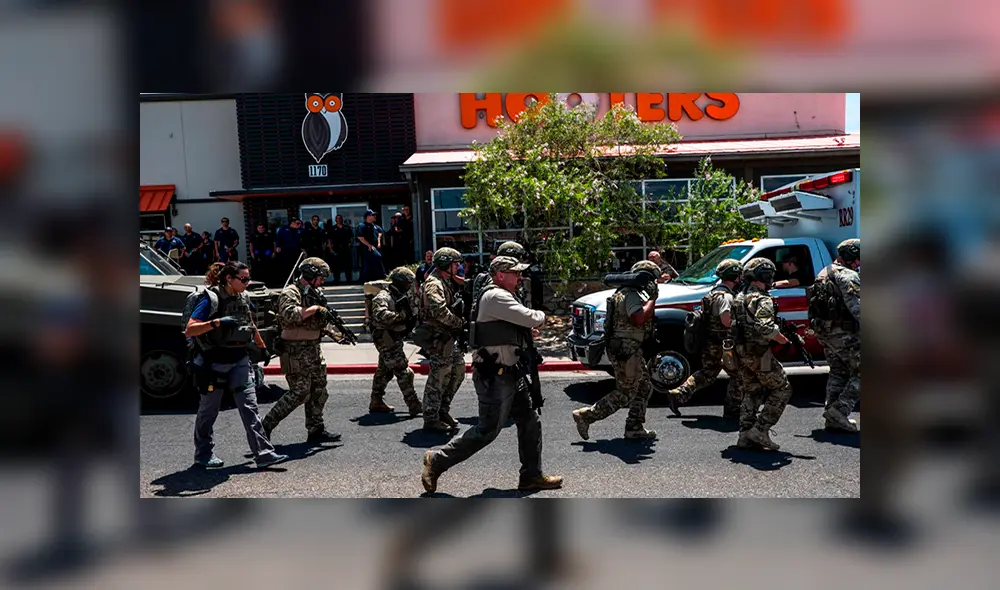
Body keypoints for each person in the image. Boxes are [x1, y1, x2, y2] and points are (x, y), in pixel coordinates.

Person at [421, 256, 563, 493]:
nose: (520, 277)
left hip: (510, 373)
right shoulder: (495, 295)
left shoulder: (500, 295)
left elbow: (507, 327)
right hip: (494, 377)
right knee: (486, 431)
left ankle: (531, 476)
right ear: (500, 275)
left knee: (529, 421)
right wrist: (539, 316)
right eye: (515, 273)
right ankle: (436, 461)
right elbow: (531, 317)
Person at [184, 262, 288, 468]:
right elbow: (190, 329)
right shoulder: (210, 299)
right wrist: (217, 322)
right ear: (228, 279)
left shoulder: (244, 297)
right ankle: (203, 454)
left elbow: (250, 323)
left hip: (239, 360)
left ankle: (264, 453)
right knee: (209, 411)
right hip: (213, 363)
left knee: (250, 407)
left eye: (248, 278)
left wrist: (262, 347)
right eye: (243, 279)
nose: (247, 283)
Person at [572, 261, 660, 440]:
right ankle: (587, 416)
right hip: (627, 351)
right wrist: (653, 299)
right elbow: (639, 318)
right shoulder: (631, 295)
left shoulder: (622, 292)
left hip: (627, 349)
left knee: (644, 386)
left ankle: (634, 427)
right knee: (625, 393)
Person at [259, 258, 342, 444]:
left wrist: (335, 333)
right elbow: (290, 315)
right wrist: (314, 309)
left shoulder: (316, 293)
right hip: (295, 350)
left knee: (319, 390)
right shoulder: (291, 292)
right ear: (310, 274)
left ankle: (316, 429)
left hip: (313, 349)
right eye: (320, 277)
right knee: (299, 393)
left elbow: (320, 320)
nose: (322, 282)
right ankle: (265, 426)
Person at [666, 259, 745, 418]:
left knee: (708, 373)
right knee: (740, 375)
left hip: (710, 342)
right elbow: (726, 320)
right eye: (739, 275)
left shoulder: (712, 293)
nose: (742, 278)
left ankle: (679, 393)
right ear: (734, 276)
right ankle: (733, 409)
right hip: (725, 345)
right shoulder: (726, 296)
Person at [731, 257, 793, 450]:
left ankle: (744, 435)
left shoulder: (739, 296)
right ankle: (760, 429)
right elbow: (765, 327)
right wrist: (784, 341)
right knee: (783, 388)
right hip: (760, 354)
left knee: (752, 391)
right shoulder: (762, 298)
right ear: (764, 275)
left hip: (742, 352)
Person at [810, 239, 861, 432]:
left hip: (827, 334)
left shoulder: (824, 273)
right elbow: (858, 309)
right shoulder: (847, 276)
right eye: (857, 259)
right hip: (844, 333)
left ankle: (832, 415)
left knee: (839, 372)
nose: (858, 263)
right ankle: (839, 411)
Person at [415, 247, 466, 432]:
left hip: (448, 337)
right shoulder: (434, 284)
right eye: (455, 264)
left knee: (458, 371)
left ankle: (442, 410)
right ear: (445, 264)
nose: (458, 267)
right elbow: (439, 311)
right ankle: (430, 417)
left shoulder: (445, 281)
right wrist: (458, 322)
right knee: (438, 377)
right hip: (438, 338)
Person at [369, 267, 423, 416]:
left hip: (394, 336)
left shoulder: (399, 295)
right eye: (407, 283)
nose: (408, 286)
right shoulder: (383, 296)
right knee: (403, 371)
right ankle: (414, 404)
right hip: (385, 336)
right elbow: (380, 315)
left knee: (384, 371)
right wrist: (401, 317)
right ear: (399, 282)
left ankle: (376, 400)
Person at [356, 209, 386, 282]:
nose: (375, 216)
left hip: (376, 247)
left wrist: (379, 242)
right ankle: (382, 275)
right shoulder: (362, 225)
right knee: (376, 257)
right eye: (373, 215)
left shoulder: (376, 226)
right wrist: (369, 245)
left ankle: (373, 278)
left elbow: (380, 233)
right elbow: (360, 237)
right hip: (367, 248)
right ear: (368, 216)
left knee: (372, 263)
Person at [326, 215, 355, 284]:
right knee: (336, 266)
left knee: (348, 265)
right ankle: (336, 279)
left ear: (342, 219)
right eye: (337, 219)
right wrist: (330, 249)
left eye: (340, 218)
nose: (338, 220)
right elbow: (329, 240)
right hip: (336, 249)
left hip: (345, 248)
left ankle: (349, 279)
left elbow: (352, 237)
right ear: (335, 220)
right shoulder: (333, 228)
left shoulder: (347, 228)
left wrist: (350, 244)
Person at [275, 218, 304, 283]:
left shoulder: (300, 230)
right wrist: (278, 247)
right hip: (286, 252)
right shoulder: (283, 229)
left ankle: (297, 281)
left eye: (300, 224)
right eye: (297, 223)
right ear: (292, 223)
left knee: (297, 267)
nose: (299, 225)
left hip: (297, 252)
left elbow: (304, 240)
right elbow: (278, 239)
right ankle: (287, 282)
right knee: (286, 267)